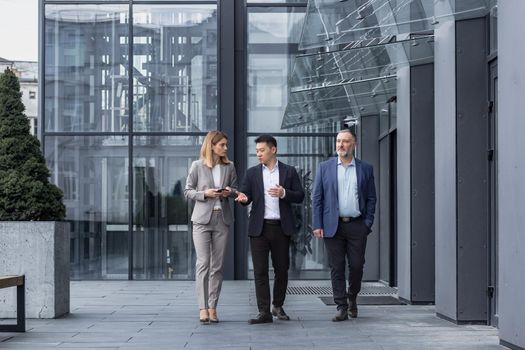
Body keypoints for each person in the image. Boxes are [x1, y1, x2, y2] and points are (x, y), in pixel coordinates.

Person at [236, 135, 305, 324]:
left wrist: (284, 193)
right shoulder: (251, 174)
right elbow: (246, 195)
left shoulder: (289, 172)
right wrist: (243, 199)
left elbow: (300, 196)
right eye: (257, 151)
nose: (258, 154)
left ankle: (277, 306)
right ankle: (264, 312)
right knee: (260, 271)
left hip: (281, 228)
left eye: (262, 150)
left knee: (282, 269)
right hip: (259, 228)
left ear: (273, 150)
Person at [312, 129, 377, 321]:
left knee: (357, 266)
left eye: (345, 141)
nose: (341, 144)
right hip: (333, 225)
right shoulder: (325, 167)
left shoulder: (366, 168)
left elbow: (372, 198)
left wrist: (367, 223)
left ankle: (352, 298)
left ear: (354, 144)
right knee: (337, 267)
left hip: (357, 225)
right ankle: (341, 306)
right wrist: (317, 224)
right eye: (338, 141)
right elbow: (317, 198)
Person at [184, 130, 238, 324]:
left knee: (217, 266)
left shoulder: (229, 166)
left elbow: (235, 190)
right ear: (212, 146)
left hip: (222, 219)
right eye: (222, 144)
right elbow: (188, 191)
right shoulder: (197, 166)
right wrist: (205, 193)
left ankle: (213, 307)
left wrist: (229, 192)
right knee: (203, 263)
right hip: (201, 220)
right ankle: (202, 307)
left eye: (226, 144)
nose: (225, 148)